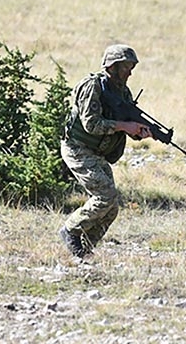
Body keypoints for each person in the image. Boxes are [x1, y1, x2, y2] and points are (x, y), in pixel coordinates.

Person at [59, 43, 152, 259]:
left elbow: (128, 123)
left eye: (131, 67)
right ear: (112, 66)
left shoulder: (123, 92)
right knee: (105, 196)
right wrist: (123, 126)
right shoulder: (92, 86)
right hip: (78, 148)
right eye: (125, 66)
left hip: (97, 152)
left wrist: (139, 132)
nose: (130, 71)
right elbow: (91, 124)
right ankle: (71, 230)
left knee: (111, 208)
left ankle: (83, 249)